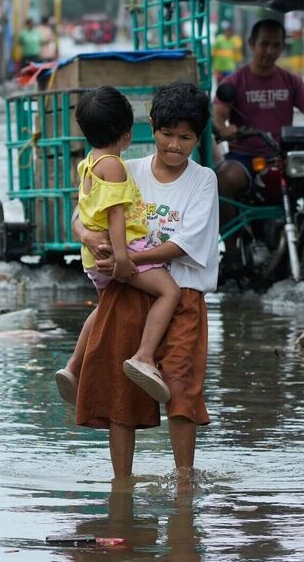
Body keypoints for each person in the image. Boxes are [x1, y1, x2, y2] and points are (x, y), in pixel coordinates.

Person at [71, 81, 218, 480]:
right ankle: (122, 482)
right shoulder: (125, 168)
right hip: (128, 292)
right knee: (123, 393)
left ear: (198, 138)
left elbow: (183, 245)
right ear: (150, 128)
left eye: (185, 137)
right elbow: (82, 215)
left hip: (182, 293)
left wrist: (126, 261)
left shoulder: (203, 180)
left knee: (182, 387)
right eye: (167, 134)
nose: (175, 145)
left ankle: (184, 479)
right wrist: (91, 241)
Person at [54, 86, 182, 406]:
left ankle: (73, 367)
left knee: (102, 309)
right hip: (117, 252)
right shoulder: (113, 165)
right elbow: (116, 214)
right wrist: (124, 260)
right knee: (169, 293)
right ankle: (144, 356)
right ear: (126, 134)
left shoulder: (88, 162)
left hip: (92, 257)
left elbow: (85, 210)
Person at [212, 18, 304, 238]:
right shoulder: (234, 81)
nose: (270, 51)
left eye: (276, 45)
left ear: (282, 47)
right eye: (264, 44)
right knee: (223, 181)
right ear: (252, 43)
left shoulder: (291, 81)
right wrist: (223, 129)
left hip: (284, 157)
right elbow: (218, 115)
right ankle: (231, 254)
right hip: (245, 158)